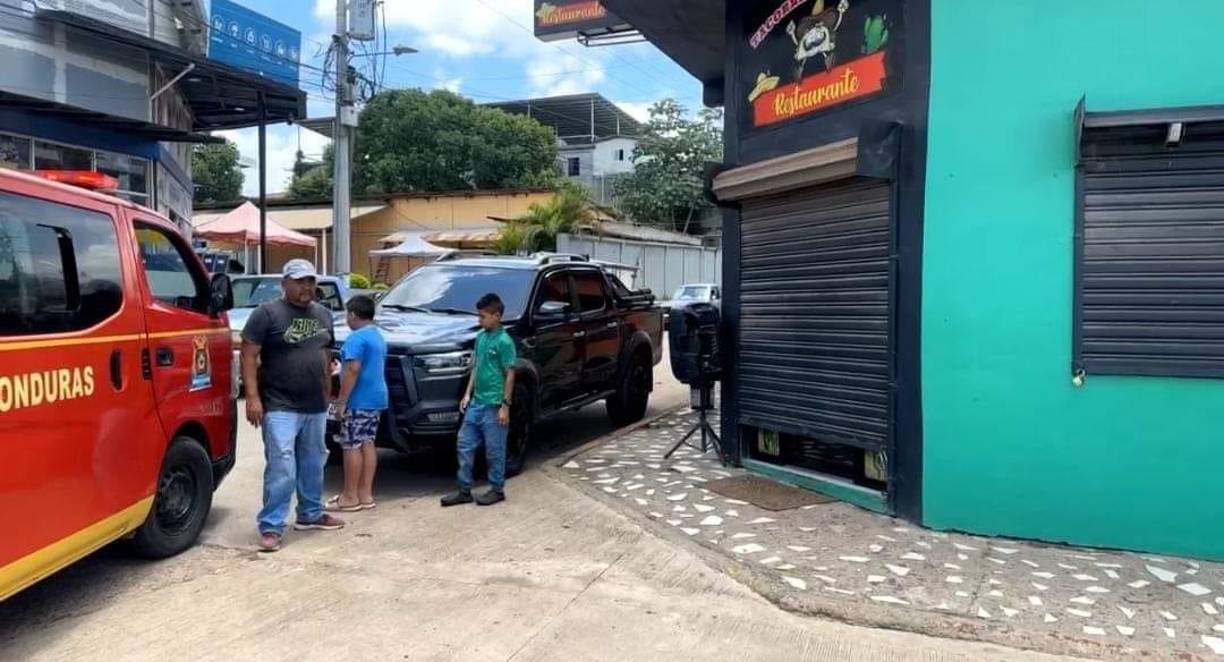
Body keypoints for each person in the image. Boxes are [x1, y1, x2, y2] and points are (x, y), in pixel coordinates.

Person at [241, 259, 345, 552]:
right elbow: (248, 355)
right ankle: (272, 525)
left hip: (315, 404)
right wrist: (252, 397)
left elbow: (326, 354)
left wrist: (328, 391)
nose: (306, 287)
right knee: (283, 465)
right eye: (299, 281)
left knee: (314, 461)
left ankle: (310, 514)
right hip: (279, 404)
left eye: (310, 281)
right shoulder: (267, 314)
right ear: (284, 283)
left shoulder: (324, 314)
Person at [441, 293, 517, 507]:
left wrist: (505, 406)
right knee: (464, 444)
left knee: (495, 449)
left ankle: (497, 488)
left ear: (497, 316)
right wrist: (467, 393)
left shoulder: (504, 341)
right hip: (477, 402)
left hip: (494, 404)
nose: (479, 320)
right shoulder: (481, 338)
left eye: (483, 316)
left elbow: (509, 373)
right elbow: (476, 366)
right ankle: (464, 489)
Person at [327, 295, 387, 512]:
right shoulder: (377, 336)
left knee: (351, 444)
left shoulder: (356, 338)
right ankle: (365, 493)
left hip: (359, 399)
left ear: (352, 314)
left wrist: (342, 401)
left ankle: (350, 496)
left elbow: (353, 369)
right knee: (368, 443)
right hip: (376, 398)